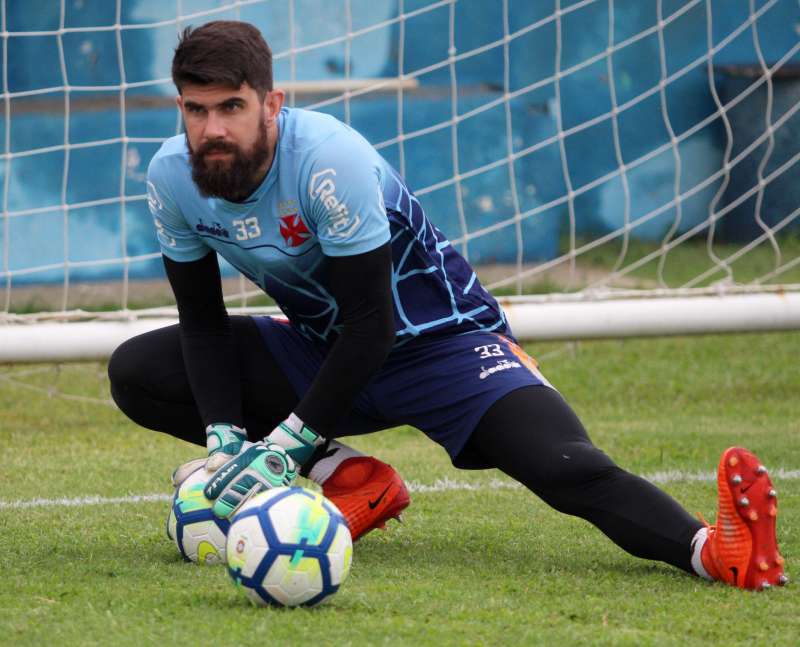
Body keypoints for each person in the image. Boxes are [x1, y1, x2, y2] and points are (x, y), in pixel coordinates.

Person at [108, 20, 786, 590]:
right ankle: (354, 478)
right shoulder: (173, 177)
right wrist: (226, 437)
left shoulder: (326, 161)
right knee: (140, 370)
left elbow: (375, 325)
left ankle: (715, 550)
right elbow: (203, 323)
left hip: (443, 344)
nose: (211, 128)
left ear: (271, 102)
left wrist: (284, 446)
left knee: (562, 464)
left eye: (231, 107)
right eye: (196, 110)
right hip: (321, 347)